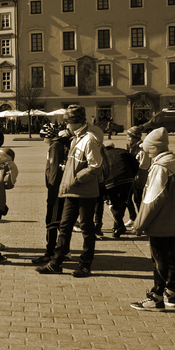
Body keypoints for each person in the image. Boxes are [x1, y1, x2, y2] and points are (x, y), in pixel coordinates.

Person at [37, 104, 104, 278]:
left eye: (67, 122)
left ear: (74, 122)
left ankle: (85, 264)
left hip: (85, 192)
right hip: (71, 191)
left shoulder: (88, 140)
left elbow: (96, 166)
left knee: (87, 229)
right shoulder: (76, 138)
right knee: (64, 226)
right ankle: (56, 262)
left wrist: (77, 178)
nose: (65, 125)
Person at [129, 128, 175, 310]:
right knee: (171, 255)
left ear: (153, 148)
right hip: (172, 217)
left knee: (159, 258)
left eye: (147, 149)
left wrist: (139, 224)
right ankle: (171, 292)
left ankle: (156, 296)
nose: (145, 153)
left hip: (159, 220)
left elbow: (152, 200)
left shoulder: (160, 168)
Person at [33, 124, 70, 265]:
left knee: (52, 221)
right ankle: (64, 251)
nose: (43, 140)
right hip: (65, 188)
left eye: (43, 137)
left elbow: (54, 170)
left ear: (49, 136)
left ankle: (50, 253)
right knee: (62, 222)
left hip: (57, 190)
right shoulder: (64, 144)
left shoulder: (55, 147)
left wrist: (52, 192)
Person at [102, 141, 139, 238]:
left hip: (110, 181)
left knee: (113, 203)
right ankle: (118, 227)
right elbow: (135, 164)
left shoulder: (102, 155)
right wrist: (132, 175)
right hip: (127, 179)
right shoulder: (123, 151)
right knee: (123, 202)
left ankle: (119, 225)